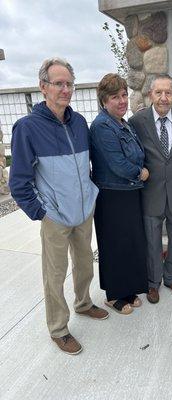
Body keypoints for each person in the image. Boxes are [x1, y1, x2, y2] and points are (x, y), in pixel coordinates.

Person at [9, 57, 108, 356]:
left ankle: (84, 303)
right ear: (43, 87)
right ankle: (58, 328)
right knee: (54, 274)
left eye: (69, 84)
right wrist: (41, 212)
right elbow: (19, 182)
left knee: (84, 263)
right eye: (58, 83)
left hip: (82, 211)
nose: (65, 89)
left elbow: (86, 166)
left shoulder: (78, 122)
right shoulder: (27, 127)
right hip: (55, 216)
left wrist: (91, 194)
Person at [129, 74, 172, 304]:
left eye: (168, 93)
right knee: (152, 240)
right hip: (151, 192)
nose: (163, 98)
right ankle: (153, 282)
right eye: (159, 93)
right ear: (150, 95)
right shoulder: (137, 121)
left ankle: (171, 277)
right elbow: (130, 152)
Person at [89, 73, 149, 315]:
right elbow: (118, 164)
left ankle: (127, 289)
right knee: (114, 245)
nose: (122, 101)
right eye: (115, 97)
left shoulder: (123, 123)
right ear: (104, 100)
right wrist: (141, 173)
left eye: (124, 95)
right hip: (112, 195)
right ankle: (114, 295)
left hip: (129, 193)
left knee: (129, 243)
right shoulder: (102, 126)